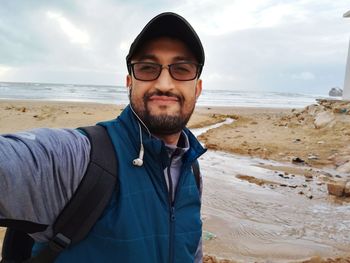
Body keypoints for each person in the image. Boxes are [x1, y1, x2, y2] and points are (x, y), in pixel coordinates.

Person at [0, 12, 206, 263]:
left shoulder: (190, 170)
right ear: (130, 82)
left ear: (197, 88)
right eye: (147, 68)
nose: (164, 84)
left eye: (182, 69)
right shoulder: (81, 159)